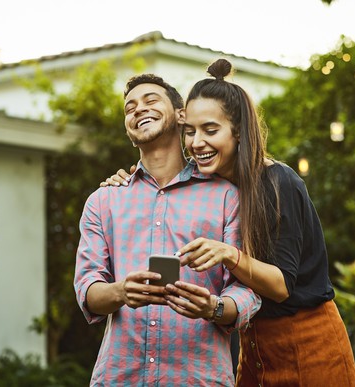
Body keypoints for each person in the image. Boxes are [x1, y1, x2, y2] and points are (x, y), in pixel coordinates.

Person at [102, 59, 355, 386]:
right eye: (191, 131)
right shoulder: (214, 188)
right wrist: (128, 181)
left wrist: (229, 254)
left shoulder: (278, 182)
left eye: (211, 130)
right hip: (251, 343)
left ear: (238, 132)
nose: (197, 143)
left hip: (307, 339)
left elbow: (281, 286)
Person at [73, 73, 261, 386]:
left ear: (180, 115)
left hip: (199, 378)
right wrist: (122, 291)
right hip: (120, 378)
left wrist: (213, 308)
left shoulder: (227, 197)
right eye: (129, 108)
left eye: (150, 100)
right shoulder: (103, 200)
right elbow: (87, 290)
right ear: (128, 130)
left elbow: (247, 289)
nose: (138, 109)